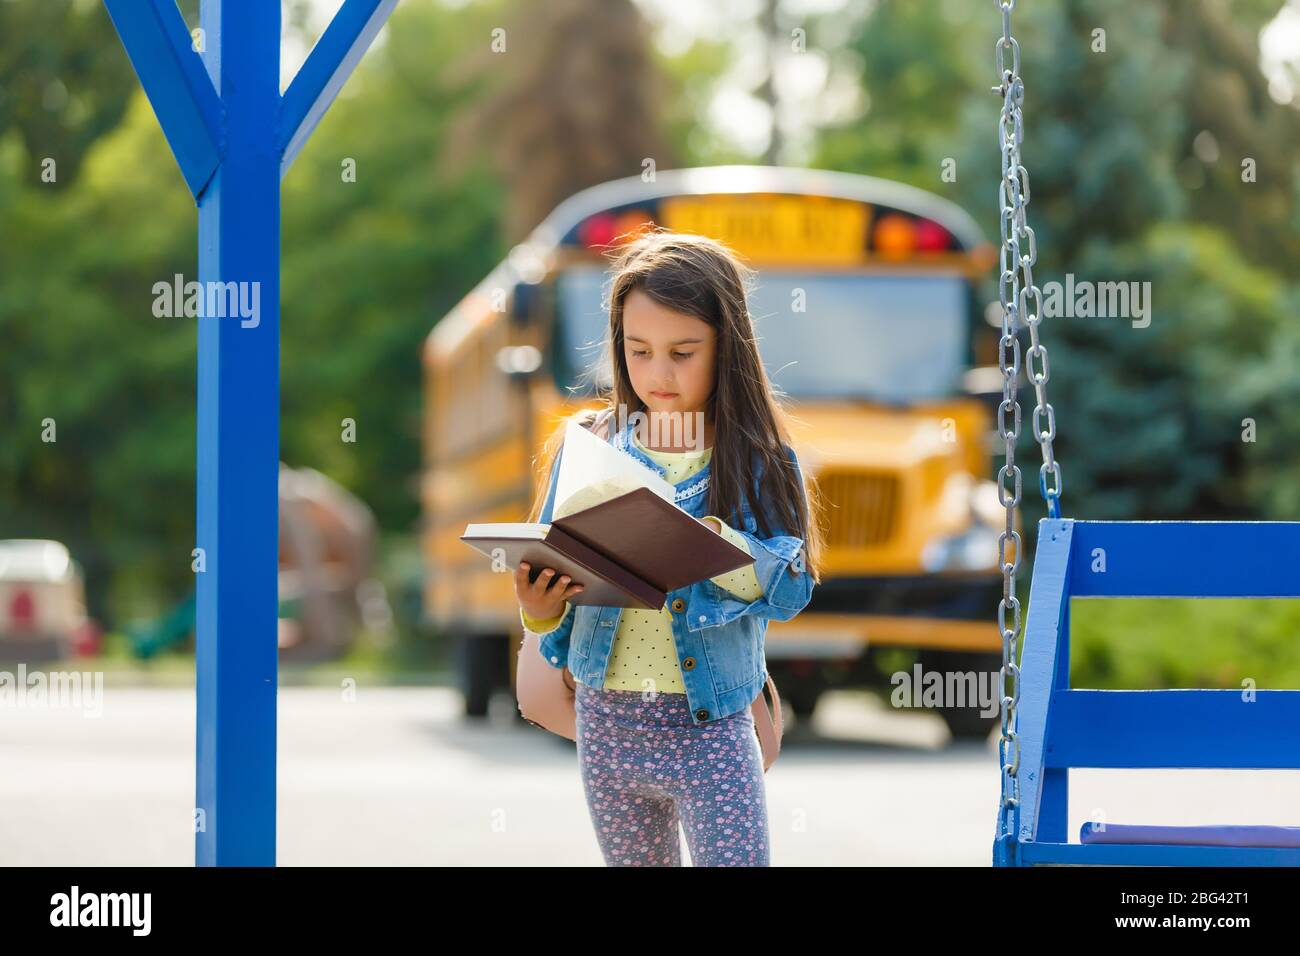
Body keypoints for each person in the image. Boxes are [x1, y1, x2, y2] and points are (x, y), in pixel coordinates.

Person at [515, 229, 823, 866]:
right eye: (638, 350)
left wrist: (716, 549)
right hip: (607, 725)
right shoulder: (589, 449)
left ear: (727, 349)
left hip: (711, 725)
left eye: (683, 352)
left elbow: (791, 589)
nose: (658, 373)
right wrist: (541, 609)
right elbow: (555, 620)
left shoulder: (759, 460)